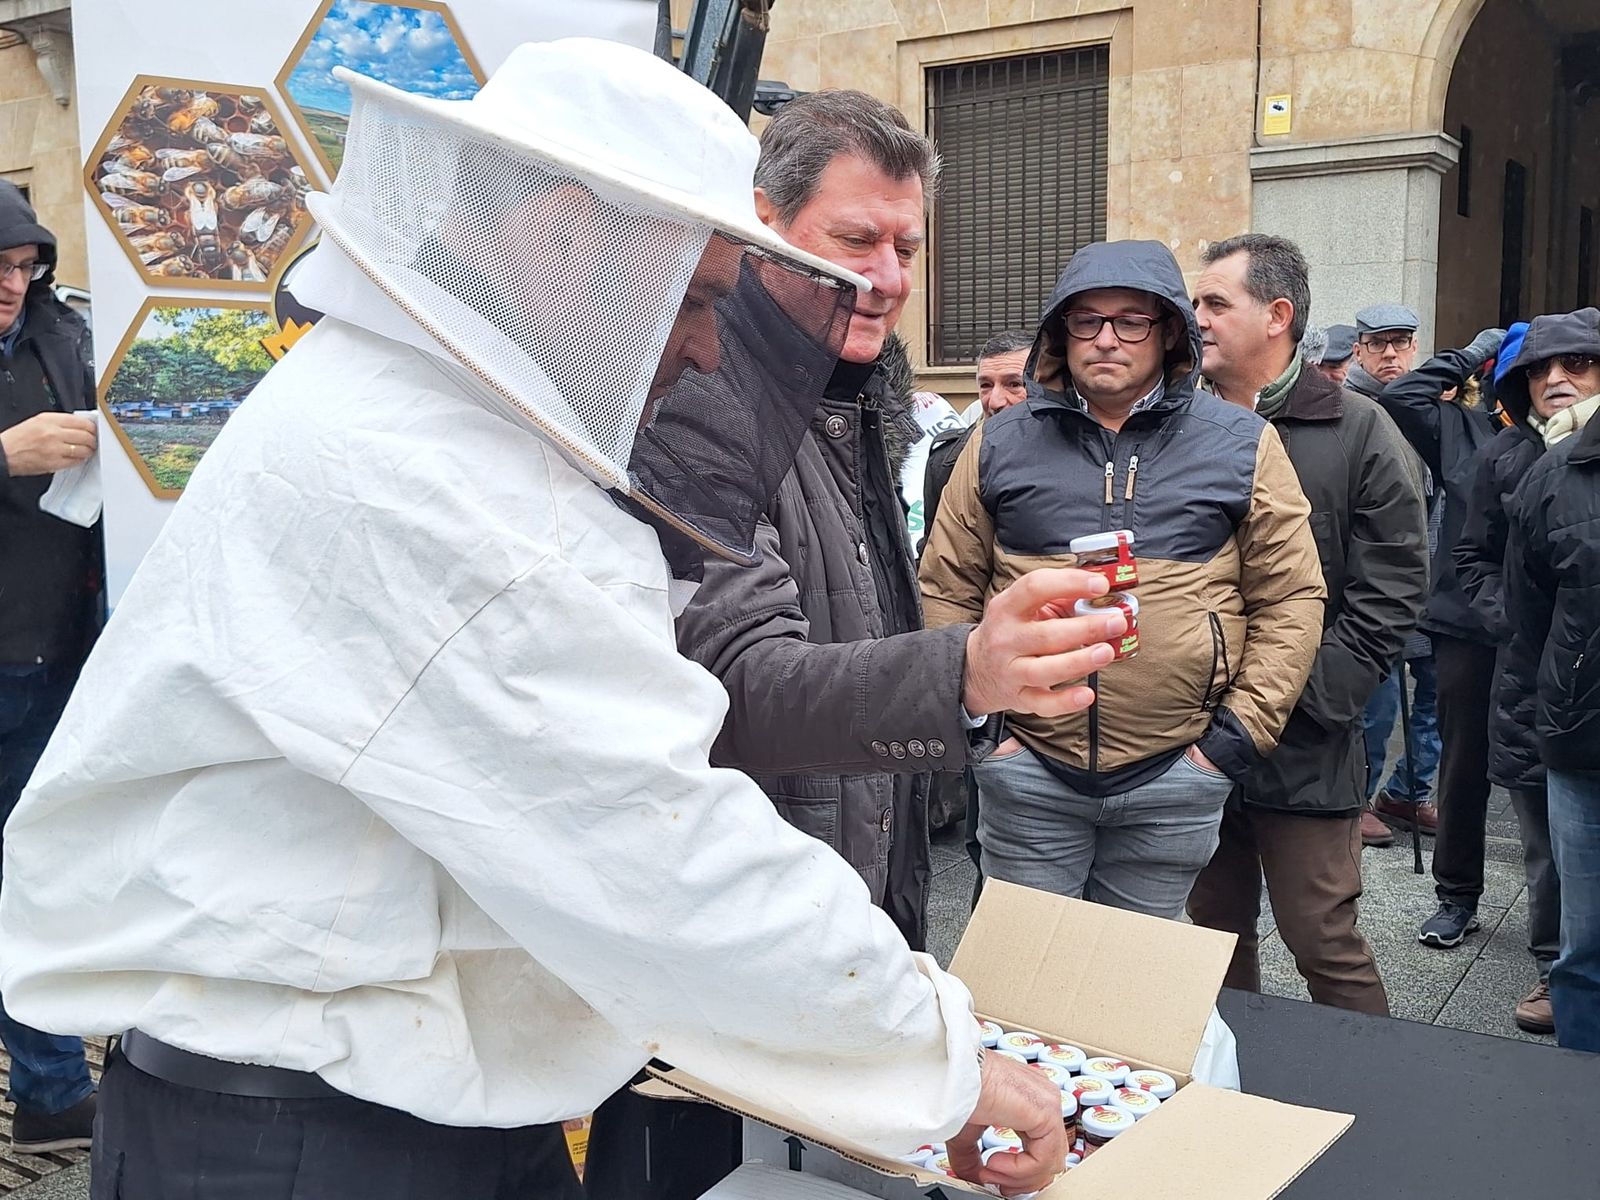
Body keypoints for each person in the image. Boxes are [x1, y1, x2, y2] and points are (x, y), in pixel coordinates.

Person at [0, 43, 1079, 1199]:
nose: (708, 347)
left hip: (351, 1113)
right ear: (565, 236)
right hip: (317, 1146)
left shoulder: (404, 417)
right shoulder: (435, 481)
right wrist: (942, 1066)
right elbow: (655, 843)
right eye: (698, 298)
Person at [920, 239, 1326, 920]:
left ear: (1168, 331)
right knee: (1024, 967)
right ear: (1061, 331)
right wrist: (985, 735)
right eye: (1087, 320)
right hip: (1027, 768)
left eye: (1132, 321)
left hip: (1176, 777)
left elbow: (1290, 597)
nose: (1106, 339)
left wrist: (1230, 743)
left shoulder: (1242, 441)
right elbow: (946, 586)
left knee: (1132, 973)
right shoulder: (999, 441)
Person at [1185, 234, 1427, 1016]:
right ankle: (1229, 1079)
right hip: (1191, 739)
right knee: (1211, 937)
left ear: (1277, 315)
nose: (1196, 318)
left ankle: (1370, 1083)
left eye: (1215, 302)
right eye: (1194, 303)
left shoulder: (1359, 430)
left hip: (1305, 741)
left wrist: (1310, 700)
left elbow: (1393, 587)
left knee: (1321, 937)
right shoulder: (1175, 424)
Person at [0, 181, 99, 1154]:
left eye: (24, 265)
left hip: (57, 654)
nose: (10, 282)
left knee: (39, 870)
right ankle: (49, 1090)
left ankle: (51, 1092)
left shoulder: (63, 333)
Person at [1470, 313, 1597, 1033]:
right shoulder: (1514, 460)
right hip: (1543, 690)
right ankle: (1553, 970)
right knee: (1553, 854)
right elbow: (1477, 560)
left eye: (1577, 363)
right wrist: (1522, 630)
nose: (1557, 379)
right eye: (1540, 369)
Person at [1369, 327, 1514, 951]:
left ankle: (1564, 923)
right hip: (1466, 625)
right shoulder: (1465, 429)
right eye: (1533, 369)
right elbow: (1402, 396)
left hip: (1555, 630)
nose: (1552, 382)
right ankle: (1457, 896)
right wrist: (1475, 351)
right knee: (1462, 768)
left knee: (1556, 778)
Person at [1345, 303, 1440, 846]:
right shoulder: (1349, 407)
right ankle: (1356, 797)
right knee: (1374, 707)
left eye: (1400, 342)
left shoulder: (1427, 408)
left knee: (1433, 700)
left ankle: (1408, 792)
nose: (1389, 353)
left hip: (1429, 577)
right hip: (1374, 581)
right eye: (1377, 343)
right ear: (1359, 349)